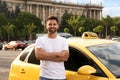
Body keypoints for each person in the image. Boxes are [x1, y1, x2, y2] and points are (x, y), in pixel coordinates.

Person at [35, 16, 69, 80]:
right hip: (45, 77)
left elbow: (65, 58)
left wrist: (45, 55)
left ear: (58, 26)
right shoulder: (40, 40)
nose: (52, 26)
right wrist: (58, 54)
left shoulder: (63, 40)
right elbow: (39, 56)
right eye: (50, 24)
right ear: (46, 26)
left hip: (60, 77)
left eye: (54, 24)